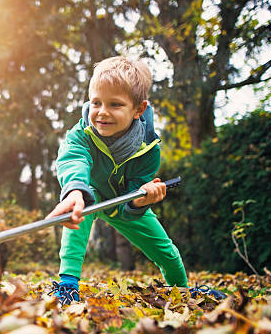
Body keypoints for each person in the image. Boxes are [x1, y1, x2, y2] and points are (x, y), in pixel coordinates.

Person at [46, 56, 223, 305]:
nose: (102, 112)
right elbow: (73, 159)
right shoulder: (81, 134)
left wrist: (140, 201)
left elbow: (131, 202)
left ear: (138, 109)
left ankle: (181, 291)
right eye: (96, 102)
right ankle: (67, 285)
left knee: (168, 252)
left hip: (124, 203)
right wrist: (75, 190)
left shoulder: (149, 149)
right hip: (89, 193)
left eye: (115, 104)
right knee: (79, 212)